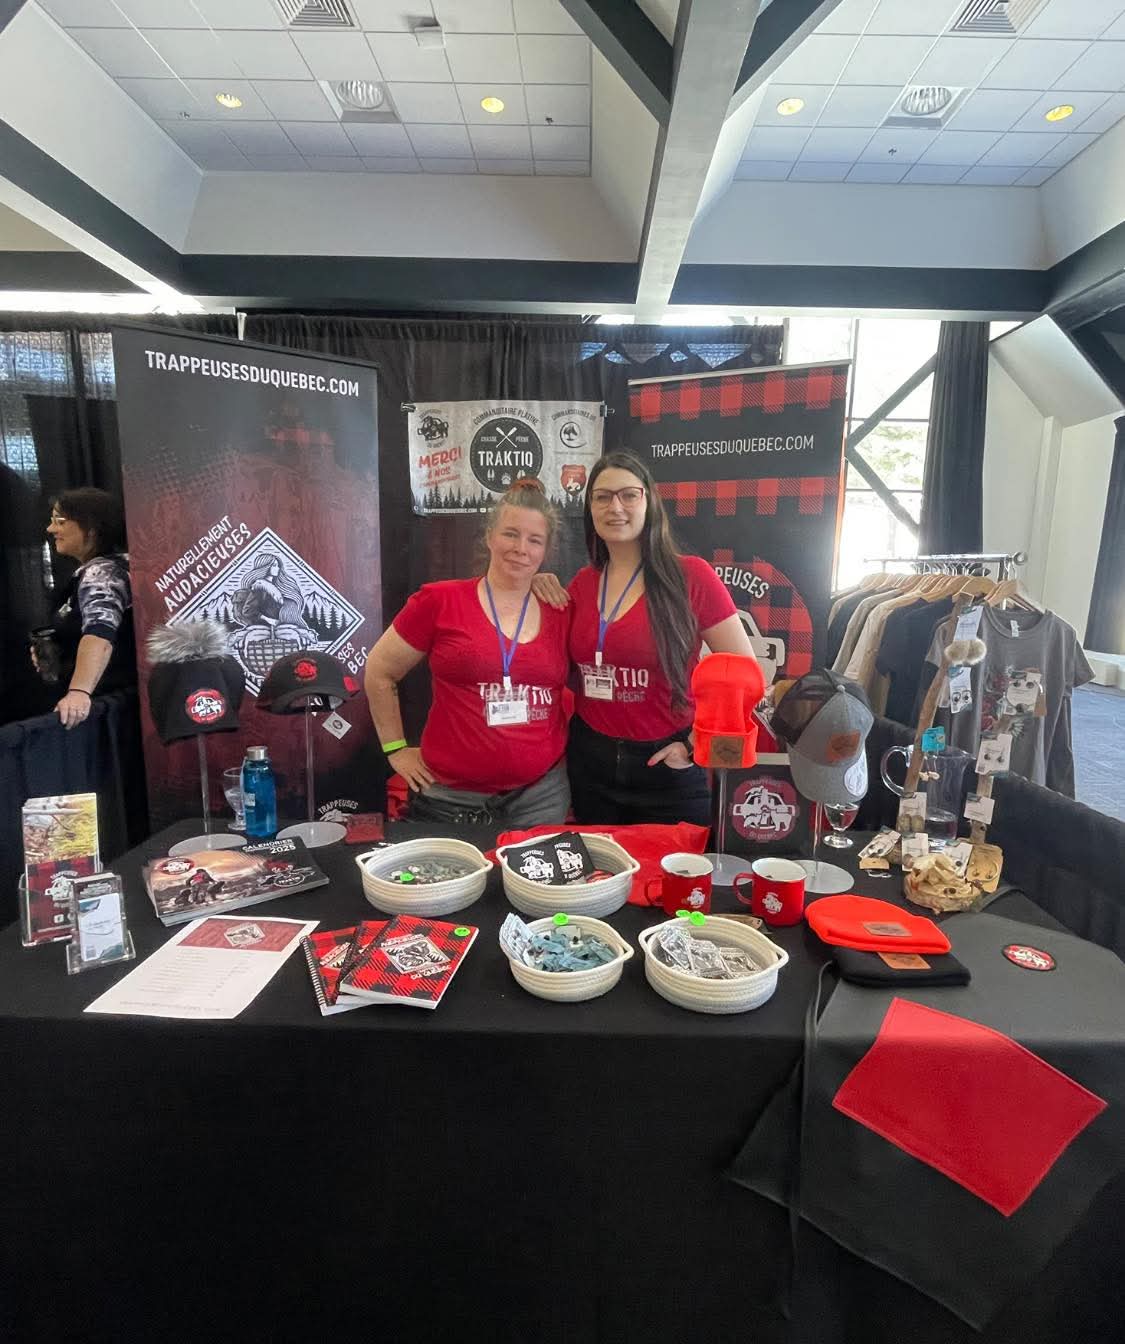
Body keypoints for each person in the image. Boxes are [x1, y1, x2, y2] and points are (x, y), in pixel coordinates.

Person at [537, 451, 754, 826]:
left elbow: (746, 674)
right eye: (602, 497)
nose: (614, 507)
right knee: (603, 880)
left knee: (677, 880)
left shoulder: (691, 577)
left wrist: (692, 745)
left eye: (628, 495)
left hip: (667, 768)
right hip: (591, 764)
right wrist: (533, 583)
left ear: (648, 500)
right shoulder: (582, 584)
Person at [364, 480, 571, 827]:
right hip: (449, 799)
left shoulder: (562, 609)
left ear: (545, 551)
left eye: (534, 540)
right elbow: (380, 671)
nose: (521, 548)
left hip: (541, 798)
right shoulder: (439, 602)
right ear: (489, 536)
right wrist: (395, 748)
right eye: (510, 534)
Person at [34, 488, 135, 731]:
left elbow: (100, 634)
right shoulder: (106, 569)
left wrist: (79, 692)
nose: (51, 529)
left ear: (92, 528)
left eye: (60, 521)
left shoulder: (101, 574)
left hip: (106, 708)